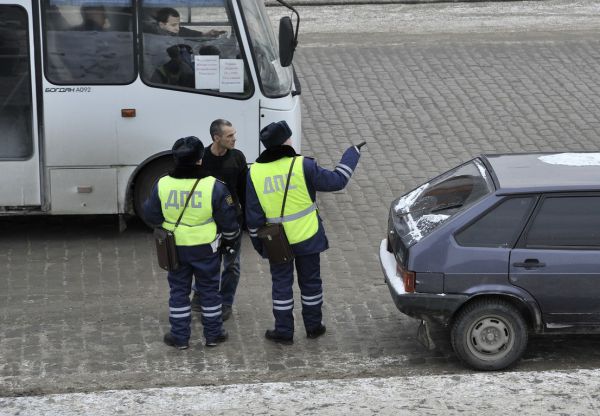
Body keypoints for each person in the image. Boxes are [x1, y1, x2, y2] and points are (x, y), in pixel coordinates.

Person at [245, 121, 364, 344]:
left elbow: (253, 217)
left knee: (281, 286)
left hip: (277, 242)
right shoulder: (304, 165)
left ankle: (283, 331)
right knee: (311, 284)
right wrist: (351, 154)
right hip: (308, 237)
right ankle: (313, 327)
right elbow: (337, 181)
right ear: (285, 142)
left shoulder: (254, 173)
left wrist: (259, 245)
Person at [143, 136, 240, 349]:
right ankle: (213, 335)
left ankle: (179, 338)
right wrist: (230, 240)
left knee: (178, 291)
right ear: (200, 159)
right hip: (205, 248)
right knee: (209, 291)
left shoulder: (163, 184)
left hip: (174, 248)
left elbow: (150, 215)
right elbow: (229, 221)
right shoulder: (214, 186)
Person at [191, 119, 247, 321]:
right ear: (216, 138)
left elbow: (244, 189)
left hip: (233, 221)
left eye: (234, 134)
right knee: (206, 261)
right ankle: (199, 293)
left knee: (232, 265)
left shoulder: (238, 158)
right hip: (207, 222)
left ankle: (225, 303)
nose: (234, 139)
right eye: (229, 136)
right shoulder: (202, 159)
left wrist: (247, 218)